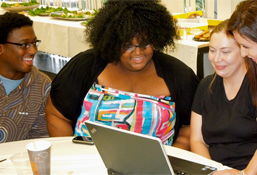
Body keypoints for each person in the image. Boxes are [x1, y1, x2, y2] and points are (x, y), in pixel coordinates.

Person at [46, 0, 199, 149]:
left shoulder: (178, 74)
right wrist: (69, 156)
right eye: (128, 45)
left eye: (145, 43)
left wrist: (172, 159)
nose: (138, 52)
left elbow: (190, 126)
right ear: (113, 42)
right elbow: (57, 115)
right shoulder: (86, 66)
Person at [190, 19, 257, 175]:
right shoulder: (205, 86)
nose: (216, 58)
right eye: (212, 50)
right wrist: (211, 171)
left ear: (243, 52)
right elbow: (197, 140)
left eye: (226, 52)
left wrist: (244, 174)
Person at [0, 12, 51, 143]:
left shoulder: (42, 85)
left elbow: (40, 138)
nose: (33, 51)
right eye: (24, 45)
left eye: (34, 43)